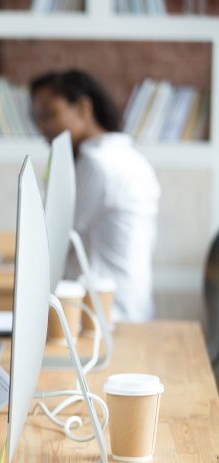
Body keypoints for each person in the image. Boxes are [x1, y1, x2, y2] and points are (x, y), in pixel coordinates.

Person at [30, 69, 161, 322]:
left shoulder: (95, 164)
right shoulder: (132, 158)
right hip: (133, 305)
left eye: (48, 114)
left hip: (103, 314)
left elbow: (53, 243)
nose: (41, 127)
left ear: (83, 108)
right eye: (36, 118)